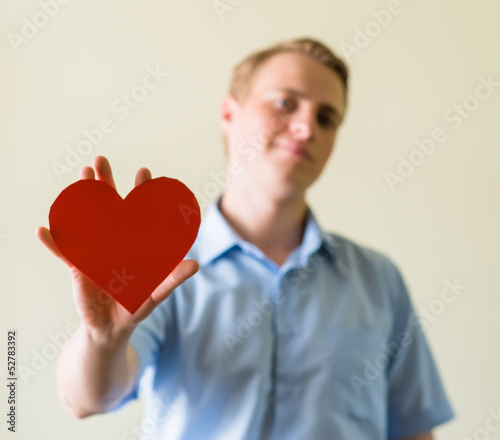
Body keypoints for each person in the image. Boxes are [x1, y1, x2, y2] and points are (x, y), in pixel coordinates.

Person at [38, 37, 455, 439]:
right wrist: (102, 339)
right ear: (229, 114)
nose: (307, 127)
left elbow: (413, 430)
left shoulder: (378, 280)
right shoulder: (166, 269)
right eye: (285, 103)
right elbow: (88, 399)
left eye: (326, 118)